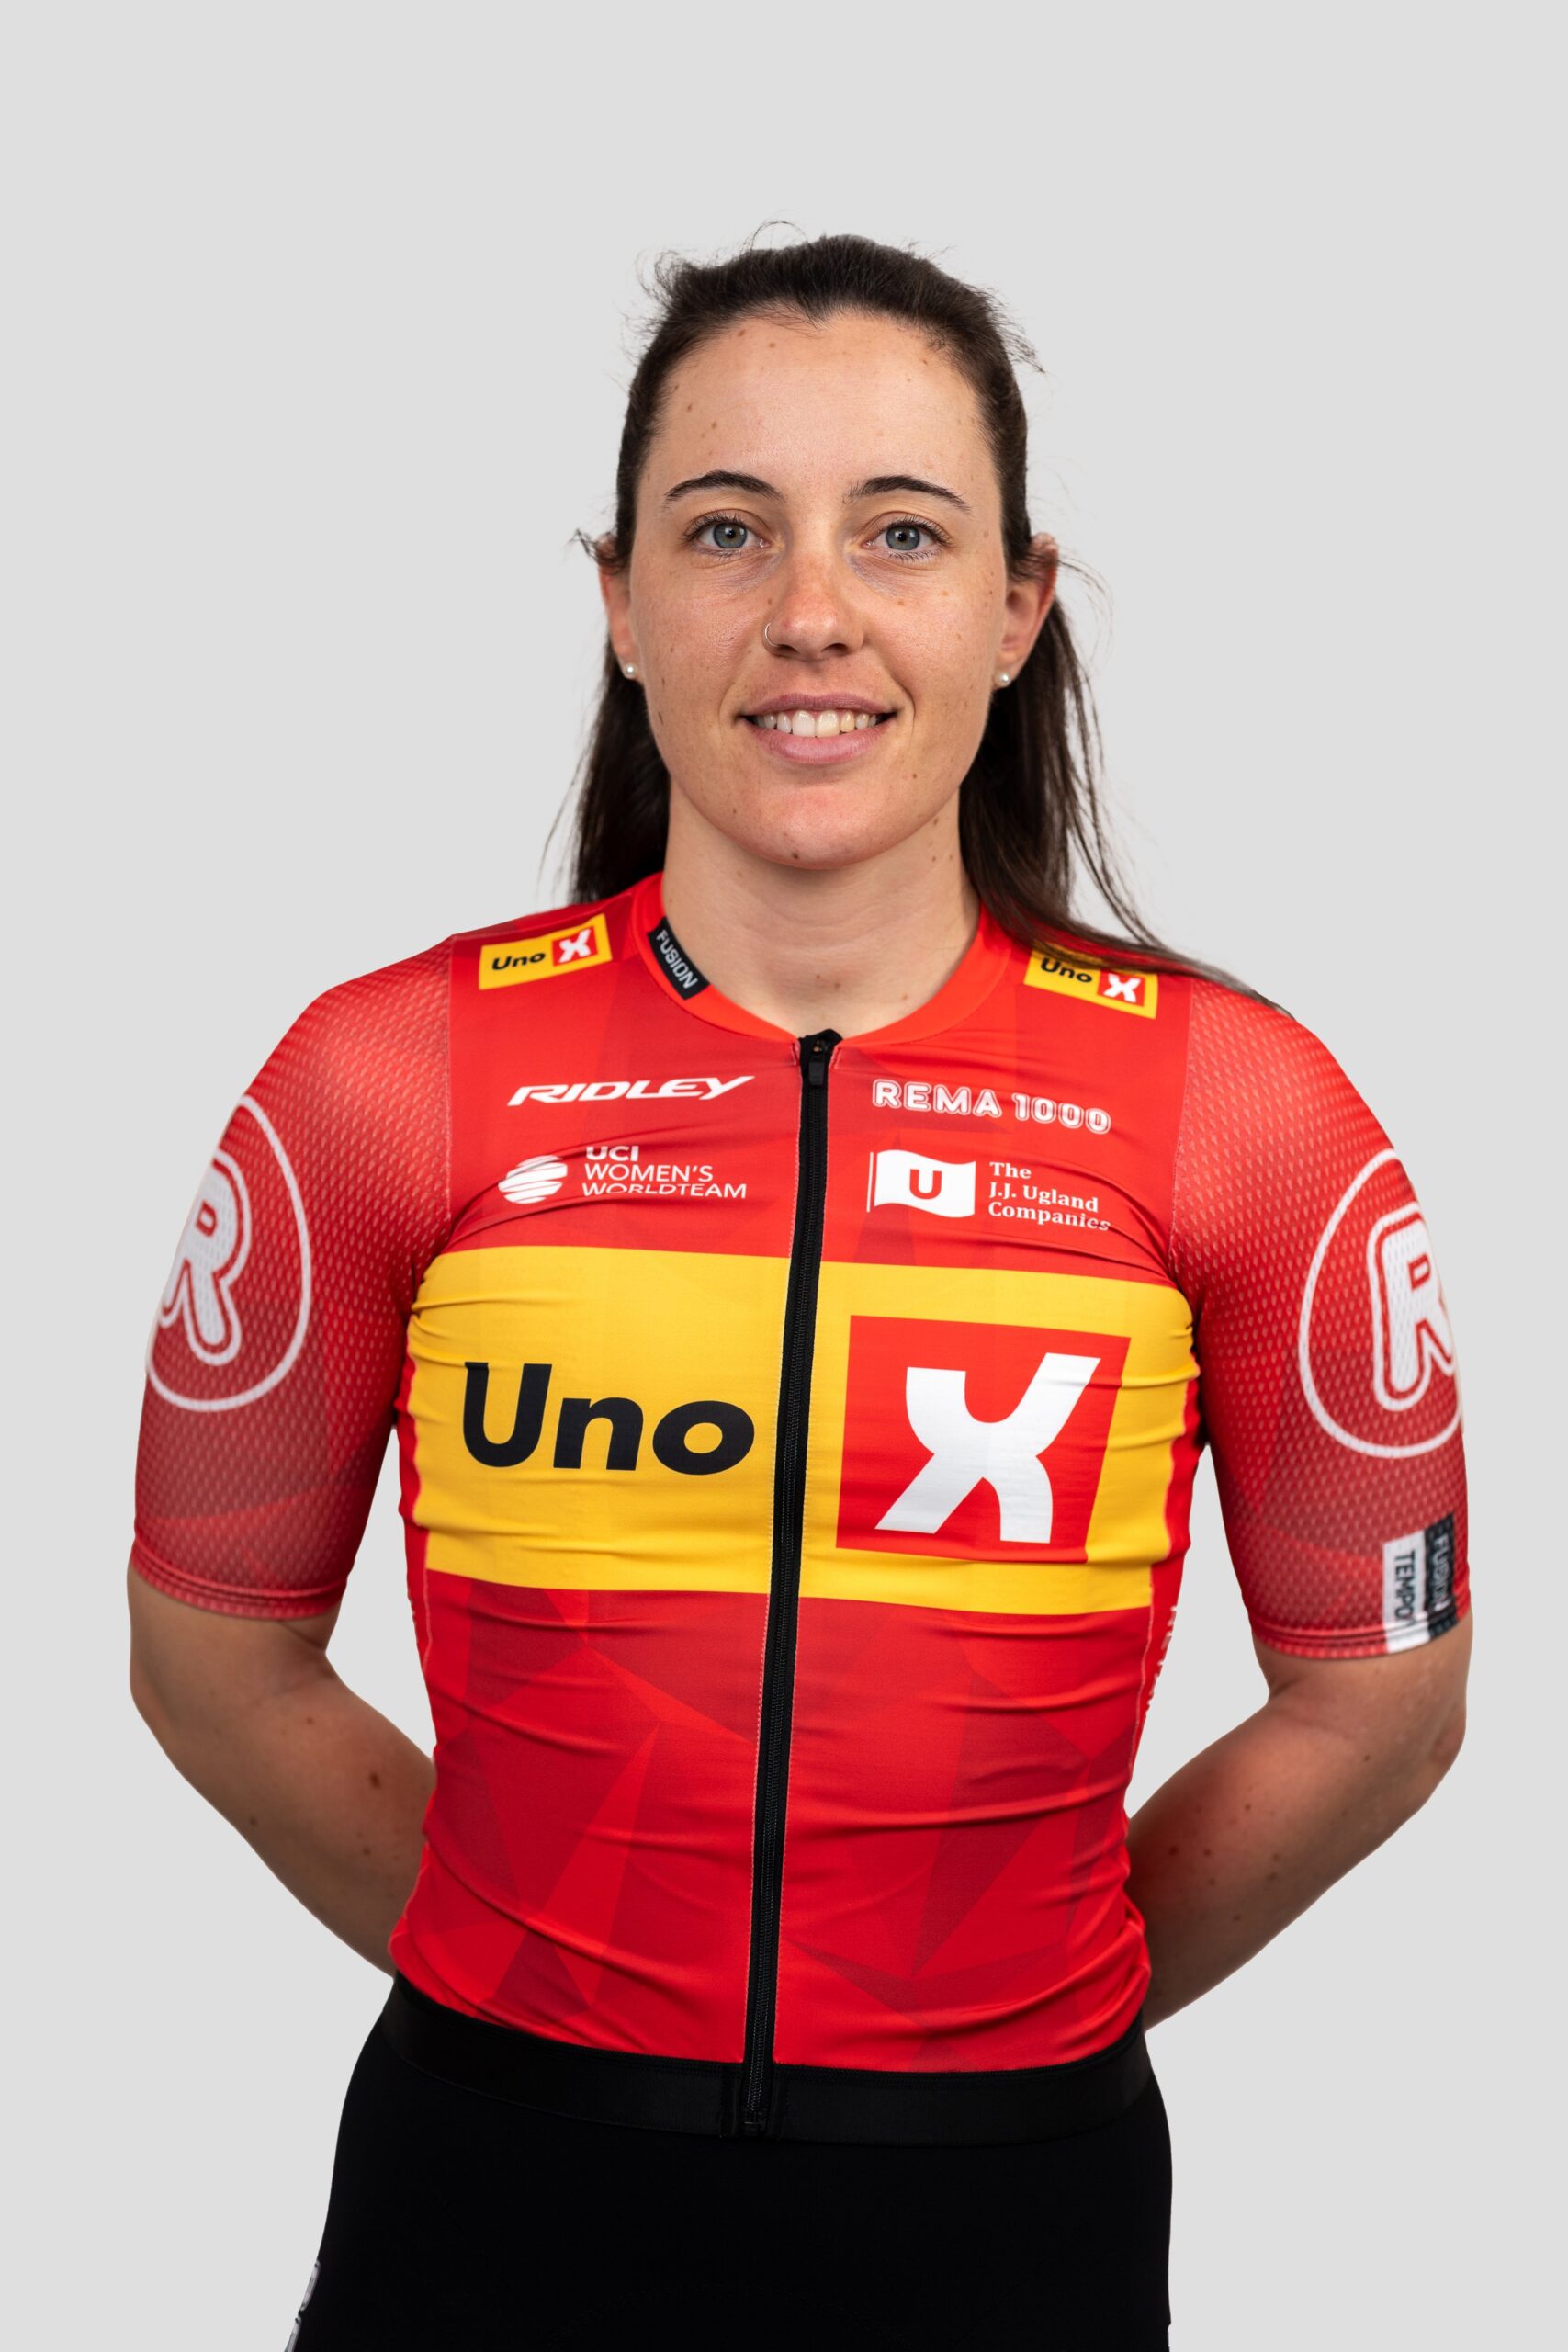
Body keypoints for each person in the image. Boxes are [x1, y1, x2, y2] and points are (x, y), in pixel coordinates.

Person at [128, 234, 1471, 2350]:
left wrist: (1026, 1988)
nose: (809, 610)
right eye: (724, 528)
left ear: (1013, 606)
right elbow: (211, 1651)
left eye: (900, 531)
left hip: (1008, 2209)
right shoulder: (384, 1078)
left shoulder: (1242, 1114)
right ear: (619, 601)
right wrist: (538, 1968)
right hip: (489, 2193)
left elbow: (1376, 1698)